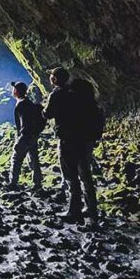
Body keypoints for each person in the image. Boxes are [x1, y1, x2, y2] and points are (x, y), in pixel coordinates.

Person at [43, 67, 102, 228]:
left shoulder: (58, 94)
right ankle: (92, 211)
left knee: (71, 176)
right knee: (86, 175)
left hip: (68, 140)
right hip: (84, 140)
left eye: (52, 76)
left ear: (54, 79)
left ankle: (73, 211)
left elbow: (48, 114)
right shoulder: (79, 94)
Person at [7, 81, 44, 191]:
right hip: (33, 136)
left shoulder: (21, 105)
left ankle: (13, 183)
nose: (12, 91)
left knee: (16, 159)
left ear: (16, 92)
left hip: (25, 136)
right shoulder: (30, 103)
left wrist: (20, 137)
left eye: (14, 89)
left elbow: (23, 124)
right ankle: (37, 184)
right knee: (33, 159)